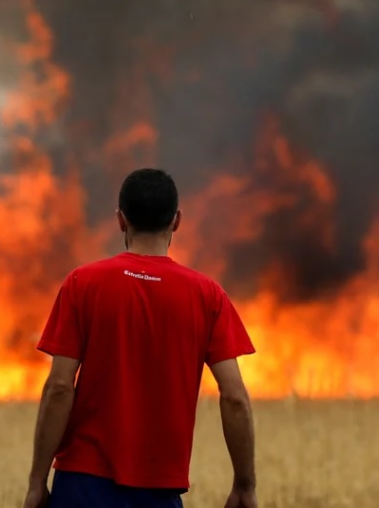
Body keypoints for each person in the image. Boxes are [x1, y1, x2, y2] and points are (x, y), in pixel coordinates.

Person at [22, 168, 258, 508]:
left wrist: (36, 482)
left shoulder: (82, 284)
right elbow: (234, 396)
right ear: (176, 221)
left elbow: (59, 387)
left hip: (82, 485)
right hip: (159, 491)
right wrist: (244, 485)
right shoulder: (208, 296)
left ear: (120, 220)